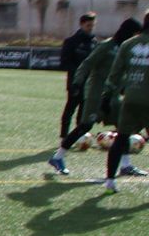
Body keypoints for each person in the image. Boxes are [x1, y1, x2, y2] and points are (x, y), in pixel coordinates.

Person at [50, 17, 141, 176]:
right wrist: (77, 83)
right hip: (96, 94)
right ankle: (58, 157)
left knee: (123, 127)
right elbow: (87, 64)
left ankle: (126, 165)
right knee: (85, 126)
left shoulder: (127, 48)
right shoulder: (107, 46)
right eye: (135, 33)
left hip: (112, 97)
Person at [100, 10, 149, 193]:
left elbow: (115, 74)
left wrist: (106, 97)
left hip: (130, 98)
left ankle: (110, 181)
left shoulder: (128, 44)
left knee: (121, 139)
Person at [58, 12, 98, 144]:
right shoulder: (71, 41)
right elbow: (64, 62)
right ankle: (64, 136)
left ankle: (79, 136)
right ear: (81, 24)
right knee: (70, 109)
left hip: (89, 83)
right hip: (75, 82)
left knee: (84, 111)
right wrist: (77, 74)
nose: (90, 28)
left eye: (92, 25)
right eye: (88, 25)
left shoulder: (94, 42)